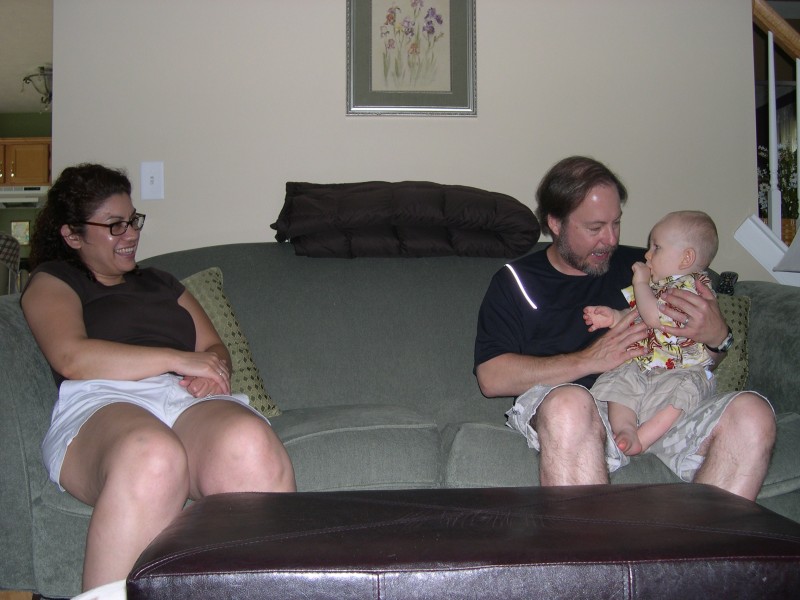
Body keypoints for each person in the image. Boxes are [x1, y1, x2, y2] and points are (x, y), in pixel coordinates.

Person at [21, 164, 296, 592]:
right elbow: (71, 356)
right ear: (72, 235)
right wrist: (180, 358)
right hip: (103, 401)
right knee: (152, 456)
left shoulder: (161, 282)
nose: (130, 233)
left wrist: (212, 370)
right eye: (114, 225)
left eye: (132, 220)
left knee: (250, 442)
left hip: (182, 398)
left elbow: (213, 347)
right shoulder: (54, 281)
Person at [474, 155, 775, 501]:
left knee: (753, 414)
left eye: (616, 223)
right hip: (574, 409)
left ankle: (711, 554)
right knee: (570, 404)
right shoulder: (515, 281)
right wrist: (589, 360)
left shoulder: (648, 267)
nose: (610, 239)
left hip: (660, 402)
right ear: (556, 223)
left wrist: (717, 339)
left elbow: (690, 353)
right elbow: (491, 377)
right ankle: (588, 554)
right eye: (594, 228)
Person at [583, 210, 719, 457]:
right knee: (618, 379)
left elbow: (654, 317)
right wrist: (614, 316)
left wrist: (641, 284)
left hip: (681, 370)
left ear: (686, 258)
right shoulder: (659, 286)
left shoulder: (691, 288)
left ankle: (643, 439)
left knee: (681, 396)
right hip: (644, 364)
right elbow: (638, 315)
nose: (647, 254)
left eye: (656, 247)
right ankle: (624, 430)